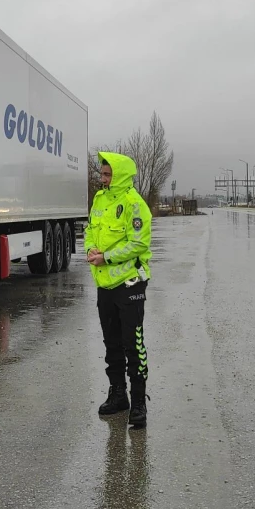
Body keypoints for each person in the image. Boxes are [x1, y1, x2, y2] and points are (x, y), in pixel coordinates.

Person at [85, 151, 153, 428]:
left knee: (132, 345)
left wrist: (107, 257)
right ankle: (118, 395)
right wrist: (90, 247)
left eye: (107, 174)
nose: (102, 179)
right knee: (111, 344)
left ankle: (138, 402)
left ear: (120, 175)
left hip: (129, 285)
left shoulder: (134, 204)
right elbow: (90, 229)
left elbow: (139, 244)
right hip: (104, 285)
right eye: (101, 174)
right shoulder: (100, 200)